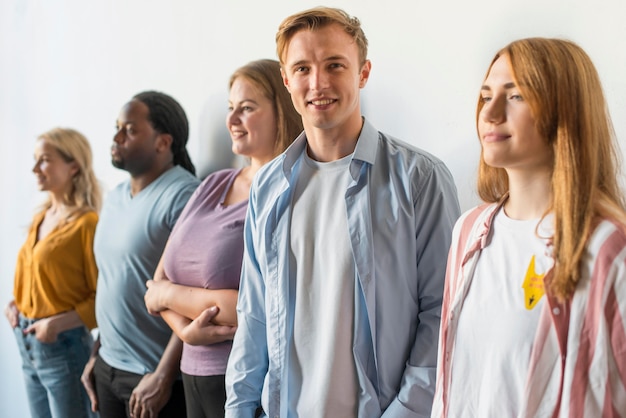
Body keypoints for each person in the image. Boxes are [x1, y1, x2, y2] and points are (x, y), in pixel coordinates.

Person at [224, 7, 460, 418]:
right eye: (302, 68)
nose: (318, 83)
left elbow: (442, 314)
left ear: (363, 73)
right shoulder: (268, 186)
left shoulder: (421, 179)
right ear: (286, 79)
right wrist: (239, 408)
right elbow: (254, 314)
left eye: (335, 65)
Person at [431, 37, 626, 417]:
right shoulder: (468, 233)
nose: (490, 113)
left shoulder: (607, 250)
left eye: (516, 95)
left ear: (565, 110)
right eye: (486, 95)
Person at [143, 59, 303, 418]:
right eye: (231, 108)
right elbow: (156, 283)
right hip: (192, 377)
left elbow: (254, 308)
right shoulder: (215, 183)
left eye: (246, 108)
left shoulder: (291, 194)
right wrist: (187, 332)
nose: (231, 120)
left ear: (281, 109)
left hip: (246, 383)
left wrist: (171, 296)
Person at [80, 91, 200, 418]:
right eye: (118, 127)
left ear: (163, 142)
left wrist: (162, 376)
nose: (117, 137)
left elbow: (197, 297)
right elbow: (114, 279)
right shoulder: (116, 196)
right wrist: (98, 352)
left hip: (152, 378)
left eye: (130, 130)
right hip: (107, 367)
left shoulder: (185, 195)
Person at [4, 127, 101, 418]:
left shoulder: (87, 223)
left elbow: (102, 299)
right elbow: (37, 279)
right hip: (27, 345)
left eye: (44, 160)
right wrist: (15, 303)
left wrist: (55, 325)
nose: (35, 168)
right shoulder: (40, 217)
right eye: (35, 160)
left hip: (64, 348)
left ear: (74, 165)